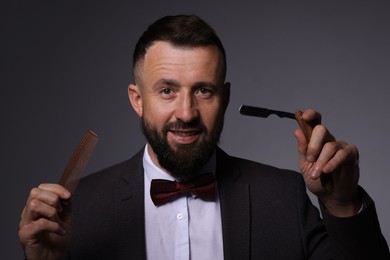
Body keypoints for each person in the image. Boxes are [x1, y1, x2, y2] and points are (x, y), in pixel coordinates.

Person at [18, 15, 389, 260]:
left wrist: (341, 203)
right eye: (166, 91)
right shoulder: (75, 211)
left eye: (203, 91)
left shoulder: (285, 197)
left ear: (224, 99)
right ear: (137, 100)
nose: (186, 112)